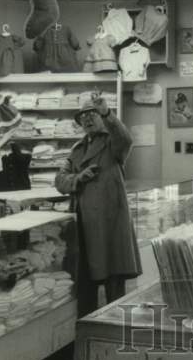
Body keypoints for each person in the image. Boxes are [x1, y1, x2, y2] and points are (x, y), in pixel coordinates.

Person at [55, 92, 141, 315]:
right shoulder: (77, 150)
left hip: (109, 223)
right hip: (83, 224)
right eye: (83, 116)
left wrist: (107, 112)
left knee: (114, 283)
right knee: (85, 285)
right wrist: (77, 178)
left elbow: (126, 139)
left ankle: (115, 330)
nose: (87, 118)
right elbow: (59, 181)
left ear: (101, 116)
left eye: (92, 113)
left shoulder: (113, 144)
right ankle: (88, 331)